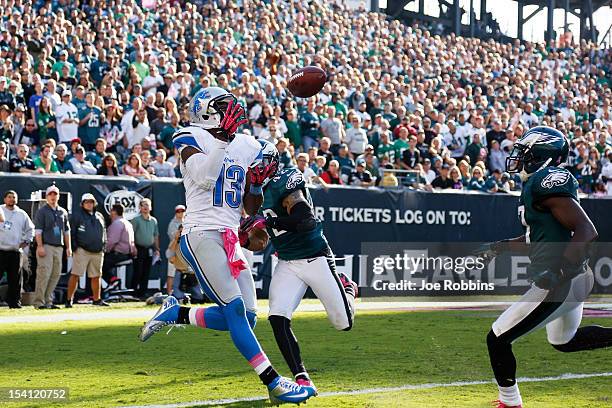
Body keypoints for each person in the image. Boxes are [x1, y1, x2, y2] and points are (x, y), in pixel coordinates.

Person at [139, 87, 315, 404]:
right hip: (201, 231)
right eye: (225, 108)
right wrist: (224, 140)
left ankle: (175, 313)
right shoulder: (188, 135)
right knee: (233, 308)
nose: (233, 112)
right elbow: (205, 176)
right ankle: (274, 381)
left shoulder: (246, 144)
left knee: (246, 317)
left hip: (229, 235)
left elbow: (250, 205)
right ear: (208, 111)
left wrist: (258, 181)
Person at [476, 127, 612, 408]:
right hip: (574, 277)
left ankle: (510, 402)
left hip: (563, 280)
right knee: (564, 341)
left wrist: (560, 271)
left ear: (541, 156)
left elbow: (586, 230)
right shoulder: (534, 187)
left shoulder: (545, 182)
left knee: (497, 338)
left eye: (525, 153)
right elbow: (534, 238)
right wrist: (498, 247)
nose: (517, 158)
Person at [239, 146, 357, 391]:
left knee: (343, 323)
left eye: (256, 164)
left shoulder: (286, 181)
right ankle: (301, 376)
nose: (252, 170)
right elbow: (261, 240)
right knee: (277, 317)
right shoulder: (250, 196)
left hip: (315, 257)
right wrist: (245, 241)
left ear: (269, 164)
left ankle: (347, 289)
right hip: (288, 262)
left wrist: (268, 220)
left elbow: (305, 221)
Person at [66, 194, 109, 307]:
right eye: (86, 202)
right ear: (82, 203)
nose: (89, 204)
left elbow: (104, 231)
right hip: (82, 250)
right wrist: (74, 247)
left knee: (96, 276)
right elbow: (72, 232)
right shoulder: (77, 216)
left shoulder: (100, 216)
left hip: (98, 251)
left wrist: (104, 245)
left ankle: (97, 299)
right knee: (75, 274)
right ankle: (69, 300)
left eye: (91, 201)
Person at [33, 185, 71, 309]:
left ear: (58, 196)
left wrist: (68, 247)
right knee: (44, 274)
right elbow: (38, 230)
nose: (53, 197)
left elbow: (66, 231)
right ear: (46, 196)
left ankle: (48, 301)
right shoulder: (42, 211)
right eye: (50, 194)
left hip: (59, 247)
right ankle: (39, 302)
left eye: (55, 194)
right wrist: (40, 246)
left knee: (55, 275)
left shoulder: (63, 212)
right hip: (46, 246)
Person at [0, 191, 34, 308]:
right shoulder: (0, 210)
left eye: (14, 197)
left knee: (15, 279)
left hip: (15, 251)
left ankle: (14, 302)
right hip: (1, 250)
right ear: (4, 199)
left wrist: (26, 241)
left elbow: (31, 229)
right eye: (9, 197)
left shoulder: (21, 214)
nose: (12, 199)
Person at [130, 198, 159, 298]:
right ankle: (133, 293)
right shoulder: (136, 220)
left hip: (149, 249)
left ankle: (143, 293)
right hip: (139, 248)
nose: (146, 207)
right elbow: (131, 234)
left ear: (150, 207)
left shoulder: (154, 221)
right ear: (140, 208)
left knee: (146, 272)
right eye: (143, 205)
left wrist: (157, 249)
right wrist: (133, 246)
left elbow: (156, 236)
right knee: (138, 271)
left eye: (147, 205)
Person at [102, 204, 136, 284]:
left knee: (97, 265)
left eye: (111, 211)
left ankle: (113, 280)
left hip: (118, 255)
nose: (109, 213)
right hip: (127, 254)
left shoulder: (117, 223)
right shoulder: (128, 223)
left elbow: (112, 241)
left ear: (114, 212)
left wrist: (104, 251)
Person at [165, 204, 186, 295]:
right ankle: (169, 294)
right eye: (178, 211)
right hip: (174, 250)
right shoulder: (172, 223)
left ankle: (184, 294)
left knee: (187, 274)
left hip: (184, 251)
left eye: (182, 211)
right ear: (175, 213)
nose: (180, 213)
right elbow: (173, 237)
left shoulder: (188, 222)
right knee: (171, 274)